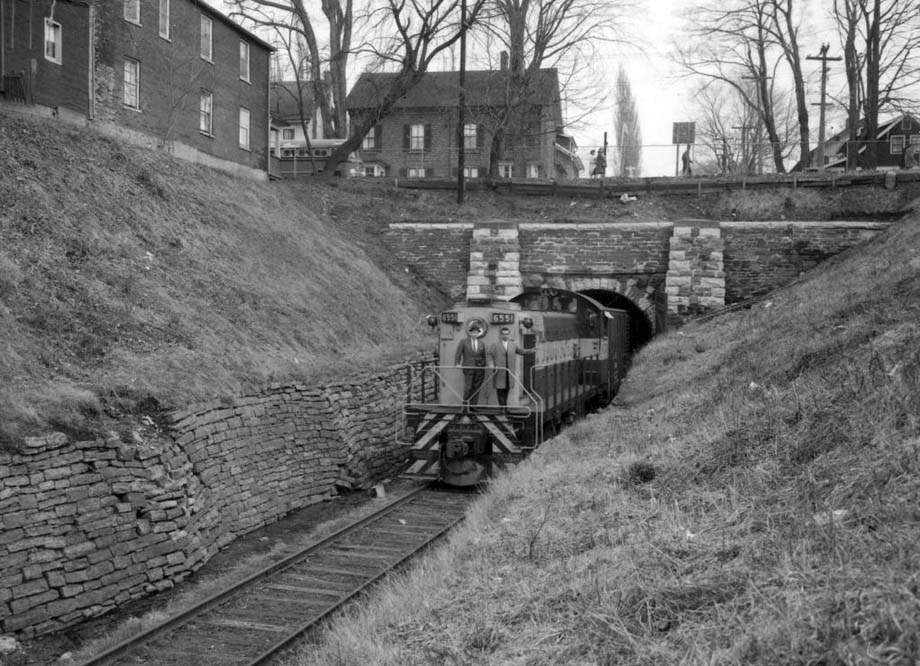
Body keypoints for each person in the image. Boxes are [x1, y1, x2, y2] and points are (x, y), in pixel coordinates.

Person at [487, 327, 535, 407]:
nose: (505, 336)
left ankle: (504, 407)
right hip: (499, 371)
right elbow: (489, 355)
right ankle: (502, 409)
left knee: (507, 389)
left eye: (506, 334)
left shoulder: (513, 345)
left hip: (509, 372)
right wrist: (491, 364)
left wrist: (531, 350)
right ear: (500, 335)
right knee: (500, 390)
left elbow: (520, 351)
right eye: (503, 334)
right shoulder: (495, 345)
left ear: (509, 335)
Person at [454, 323, 488, 405]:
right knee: (468, 388)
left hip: (479, 369)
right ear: (470, 333)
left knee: (476, 388)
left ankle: (473, 407)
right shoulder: (464, 342)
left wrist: (484, 365)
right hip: (468, 368)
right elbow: (458, 353)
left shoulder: (481, 343)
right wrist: (457, 363)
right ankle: (465, 406)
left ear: (478, 334)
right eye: (473, 332)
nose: (475, 334)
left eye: (476, 332)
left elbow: (484, 356)